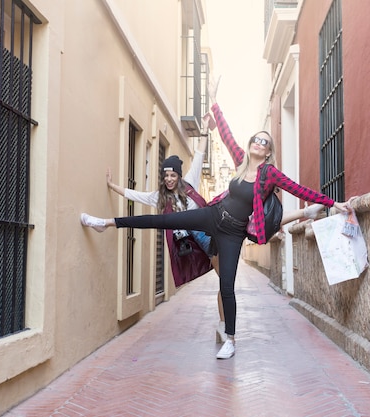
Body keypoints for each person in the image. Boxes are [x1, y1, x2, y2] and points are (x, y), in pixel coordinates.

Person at [81, 77, 348, 359]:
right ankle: (107, 223)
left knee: (227, 285)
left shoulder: (269, 174)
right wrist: (213, 101)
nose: (258, 143)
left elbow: (298, 188)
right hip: (213, 216)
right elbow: (226, 134)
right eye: (256, 139)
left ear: (268, 151)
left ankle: (230, 339)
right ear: (251, 145)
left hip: (233, 234)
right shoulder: (241, 162)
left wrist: (333, 203)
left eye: (264, 142)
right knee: (162, 221)